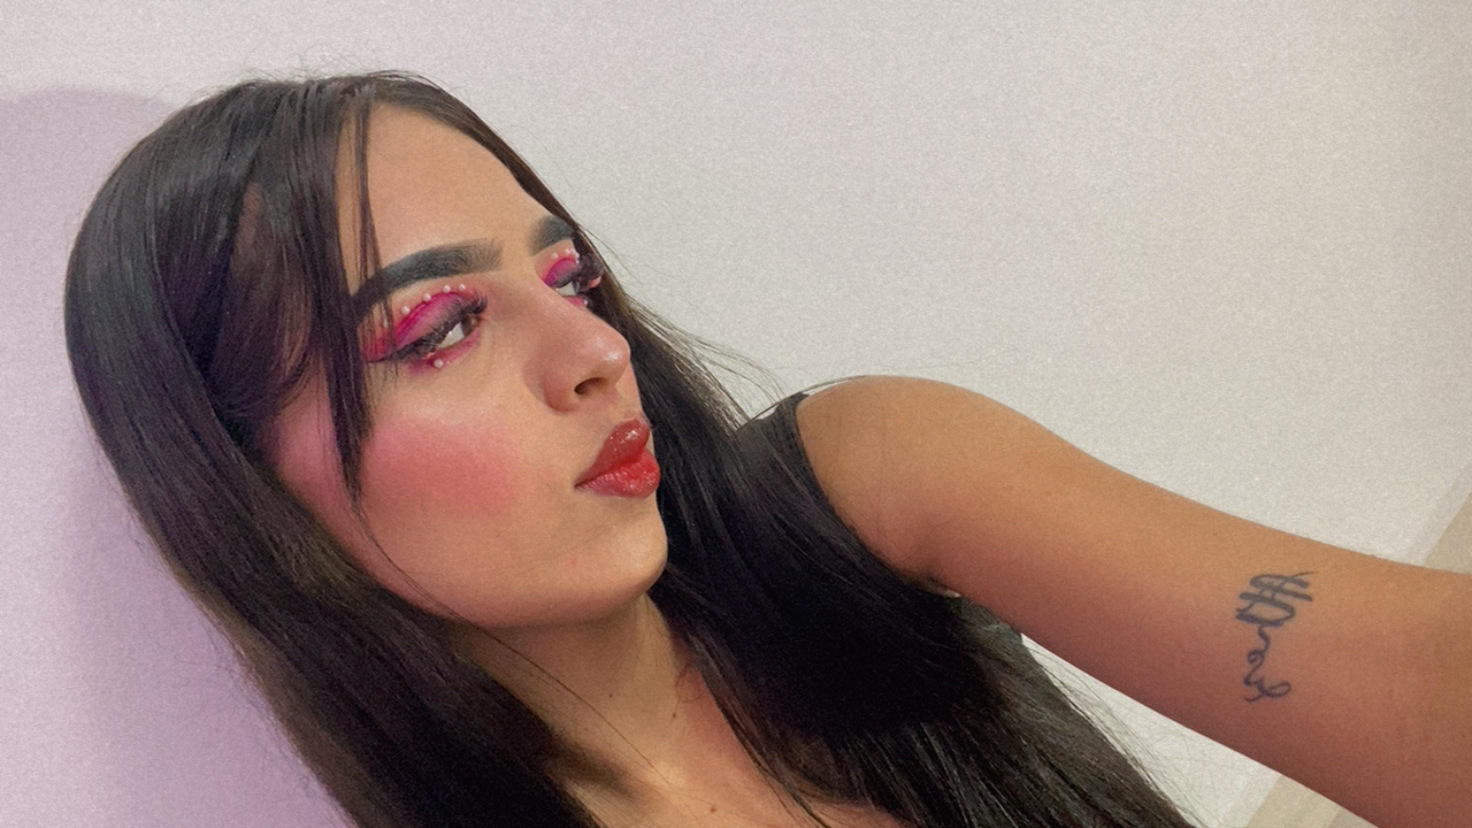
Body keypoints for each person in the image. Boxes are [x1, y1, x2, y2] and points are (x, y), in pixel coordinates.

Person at [62, 72, 1469, 828]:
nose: (594, 348)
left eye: (567, 277)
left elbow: (1418, 675)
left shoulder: (861, 489)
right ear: (243, 490)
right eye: (441, 327)